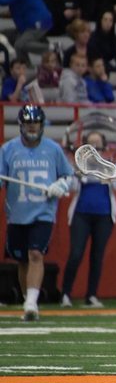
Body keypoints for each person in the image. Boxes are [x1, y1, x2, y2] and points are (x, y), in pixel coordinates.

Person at [0, 105, 73, 321]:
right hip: (17, 213)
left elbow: (68, 176)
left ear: (41, 125)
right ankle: (27, 301)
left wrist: (60, 185)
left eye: (35, 123)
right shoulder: (8, 149)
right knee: (22, 260)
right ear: (21, 125)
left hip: (43, 212)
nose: (32, 127)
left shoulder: (53, 149)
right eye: (28, 123)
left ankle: (32, 302)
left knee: (35, 254)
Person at [61, 131, 116, 308]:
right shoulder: (77, 164)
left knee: (97, 256)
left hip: (104, 215)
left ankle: (91, 295)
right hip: (81, 213)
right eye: (91, 143)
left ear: (104, 145)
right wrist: (76, 174)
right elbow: (71, 185)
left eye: (97, 143)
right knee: (76, 254)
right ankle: (65, 293)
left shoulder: (109, 165)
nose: (94, 146)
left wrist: (113, 175)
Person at [0, 0, 53, 64]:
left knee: (19, 44)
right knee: (10, 39)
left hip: (38, 22)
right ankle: (26, 67)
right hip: (30, 23)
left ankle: (51, 48)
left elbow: (5, 1)